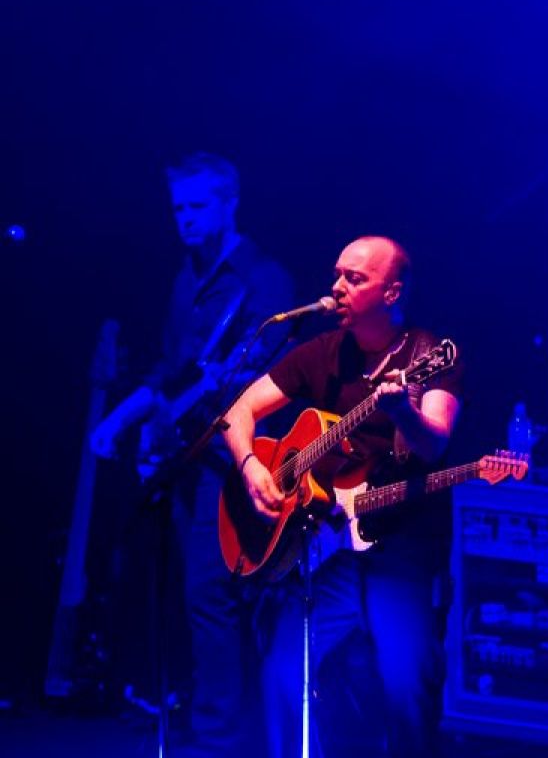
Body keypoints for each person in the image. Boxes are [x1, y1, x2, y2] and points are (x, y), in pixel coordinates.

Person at [222, 235, 464, 757]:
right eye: (337, 274)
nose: (337, 287)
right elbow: (238, 412)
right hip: (329, 550)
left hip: (400, 552)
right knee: (283, 673)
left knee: (407, 685)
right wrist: (250, 467)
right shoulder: (324, 352)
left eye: (354, 278)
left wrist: (401, 411)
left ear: (392, 292)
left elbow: (434, 443)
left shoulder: (430, 355)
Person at [90, 151, 295, 757]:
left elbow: (263, 380)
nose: (185, 217)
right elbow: (171, 370)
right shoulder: (188, 278)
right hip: (184, 452)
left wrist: (213, 394)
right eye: (178, 207)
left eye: (198, 205)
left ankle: (219, 741)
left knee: (211, 597)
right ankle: (199, 718)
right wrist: (120, 422)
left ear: (231, 203)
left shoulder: (264, 281)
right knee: (189, 595)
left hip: (232, 459)